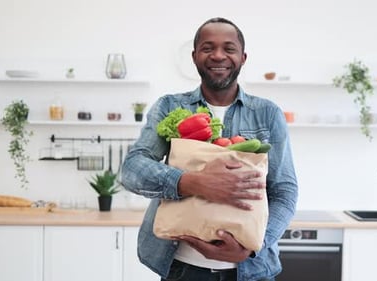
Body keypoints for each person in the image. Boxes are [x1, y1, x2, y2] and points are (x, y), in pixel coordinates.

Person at [121, 17, 298, 281]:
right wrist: (192, 182)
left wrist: (252, 248)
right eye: (207, 48)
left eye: (228, 48)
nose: (218, 55)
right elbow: (132, 170)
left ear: (242, 57)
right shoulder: (169, 106)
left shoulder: (267, 114)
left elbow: (284, 190)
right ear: (194, 56)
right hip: (182, 268)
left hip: (250, 271)